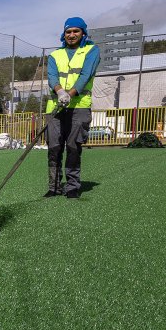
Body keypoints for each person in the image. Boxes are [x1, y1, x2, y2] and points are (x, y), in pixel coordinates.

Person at [44, 16, 100, 199]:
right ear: (64, 34)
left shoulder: (91, 50)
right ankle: (53, 187)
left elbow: (86, 74)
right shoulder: (55, 55)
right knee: (54, 147)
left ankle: (72, 187)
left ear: (83, 33)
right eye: (68, 31)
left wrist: (71, 93)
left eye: (76, 31)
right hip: (56, 106)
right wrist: (60, 91)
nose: (72, 34)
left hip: (79, 106)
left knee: (73, 146)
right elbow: (52, 76)